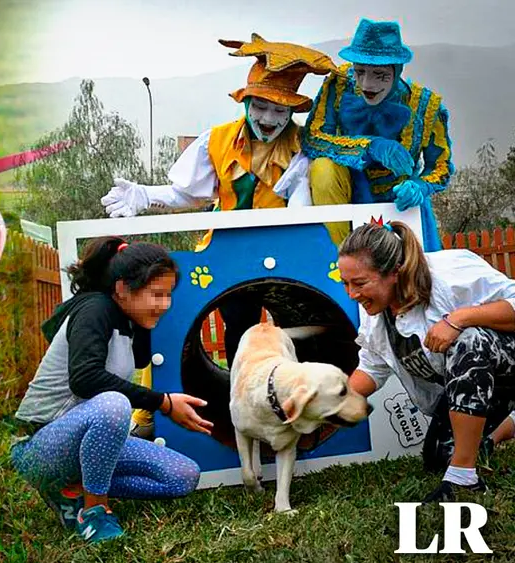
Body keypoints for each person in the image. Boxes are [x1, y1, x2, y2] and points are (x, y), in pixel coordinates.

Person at [99, 35, 336, 378]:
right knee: (234, 325)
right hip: (227, 250)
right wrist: (145, 195)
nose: (269, 117)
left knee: (297, 326)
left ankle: (292, 394)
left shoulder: (303, 147)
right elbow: (189, 195)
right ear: (246, 103)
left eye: (279, 110)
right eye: (261, 106)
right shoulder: (218, 140)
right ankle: (235, 391)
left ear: (290, 113)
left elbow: (301, 208)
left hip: (283, 250)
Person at [10, 237, 212, 543]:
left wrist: (145, 319)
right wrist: (165, 403)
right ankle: (94, 511)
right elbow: (85, 378)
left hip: (87, 444)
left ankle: (71, 488)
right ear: (121, 289)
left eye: (168, 295)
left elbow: (142, 358)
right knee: (113, 404)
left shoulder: (129, 323)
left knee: (183, 476)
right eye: (156, 294)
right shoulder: (95, 310)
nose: (165, 304)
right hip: (39, 445)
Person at [338, 219, 515, 502]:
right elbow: (371, 369)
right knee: (438, 456)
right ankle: (491, 437)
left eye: (359, 283)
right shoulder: (378, 319)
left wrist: (459, 318)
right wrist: (326, 403)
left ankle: (464, 479)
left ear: (394, 272)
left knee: (468, 341)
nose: (351, 294)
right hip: (481, 389)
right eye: (346, 283)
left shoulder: (449, 273)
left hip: (506, 365)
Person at [303, 19, 453, 252]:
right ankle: (342, 255)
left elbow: (440, 167)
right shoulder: (339, 84)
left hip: (400, 206)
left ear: (397, 70)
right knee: (322, 168)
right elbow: (312, 138)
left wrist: (419, 187)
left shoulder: (426, 106)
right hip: (346, 194)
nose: (366, 83)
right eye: (360, 71)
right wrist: (369, 146)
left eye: (379, 74)